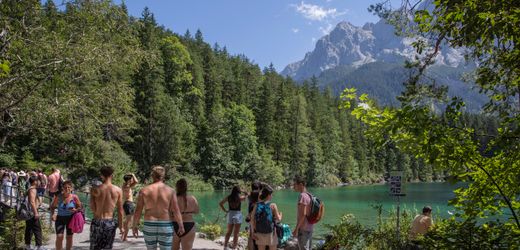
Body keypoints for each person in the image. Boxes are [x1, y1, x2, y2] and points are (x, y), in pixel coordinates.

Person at [132, 166, 184, 250]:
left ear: (152, 175)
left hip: (149, 224)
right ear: (163, 176)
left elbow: (138, 210)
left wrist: (134, 225)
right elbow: (176, 210)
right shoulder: (170, 190)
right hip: (165, 224)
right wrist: (181, 225)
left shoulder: (144, 190)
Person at [89, 165, 124, 250]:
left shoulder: (95, 189)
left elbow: (92, 207)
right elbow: (120, 211)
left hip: (97, 221)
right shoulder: (118, 190)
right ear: (112, 175)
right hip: (109, 223)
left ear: (101, 175)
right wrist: (121, 226)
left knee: (94, 248)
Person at [50, 180, 82, 250]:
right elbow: (52, 207)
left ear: (71, 188)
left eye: (69, 187)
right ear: (62, 188)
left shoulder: (74, 197)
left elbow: (80, 207)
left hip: (71, 219)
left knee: (69, 237)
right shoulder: (58, 196)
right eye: (65, 187)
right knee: (59, 237)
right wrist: (53, 214)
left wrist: (75, 210)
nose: (67, 189)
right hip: (60, 218)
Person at [251, 185, 282, 250]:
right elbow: (278, 220)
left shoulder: (257, 205)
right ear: (268, 195)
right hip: (271, 233)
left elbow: (252, 219)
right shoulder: (273, 205)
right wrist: (280, 215)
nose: (272, 196)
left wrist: (253, 232)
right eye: (271, 194)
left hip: (259, 232)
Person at [173, 178, 200, 250]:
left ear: (177, 187)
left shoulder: (173, 199)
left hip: (174, 224)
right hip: (189, 225)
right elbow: (197, 211)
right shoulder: (192, 198)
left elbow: (168, 213)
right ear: (186, 188)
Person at [219, 185, 247, 250]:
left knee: (228, 232)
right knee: (236, 233)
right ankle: (234, 248)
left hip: (230, 214)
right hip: (237, 214)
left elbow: (220, 203)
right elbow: (247, 194)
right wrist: (242, 191)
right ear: (238, 191)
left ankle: (225, 247)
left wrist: (225, 211)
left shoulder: (229, 197)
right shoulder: (240, 198)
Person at [292, 176, 313, 250]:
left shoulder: (302, 196)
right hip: (310, 227)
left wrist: (296, 229)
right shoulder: (309, 195)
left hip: (303, 229)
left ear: (300, 185)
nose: (293, 186)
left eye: (295, 185)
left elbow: (303, 215)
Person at [25, 175, 45, 250]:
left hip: (29, 212)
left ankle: (28, 245)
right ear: (35, 181)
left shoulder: (30, 188)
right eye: (38, 180)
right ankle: (39, 246)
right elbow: (32, 202)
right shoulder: (33, 189)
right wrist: (36, 213)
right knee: (37, 229)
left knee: (29, 229)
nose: (39, 182)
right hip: (32, 212)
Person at [122, 173, 138, 241]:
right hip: (129, 204)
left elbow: (134, 182)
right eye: (131, 179)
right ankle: (125, 237)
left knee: (126, 221)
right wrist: (133, 174)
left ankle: (123, 235)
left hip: (126, 203)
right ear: (128, 180)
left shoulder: (124, 185)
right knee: (129, 221)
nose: (132, 180)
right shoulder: (128, 186)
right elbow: (136, 181)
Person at [247, 181, 262, 250]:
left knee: (251, 236)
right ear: (258, 188)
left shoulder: (250, 196)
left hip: (251, 219)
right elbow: (271, 191)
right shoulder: (258, 198)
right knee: (256, 237)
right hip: (256, 220)